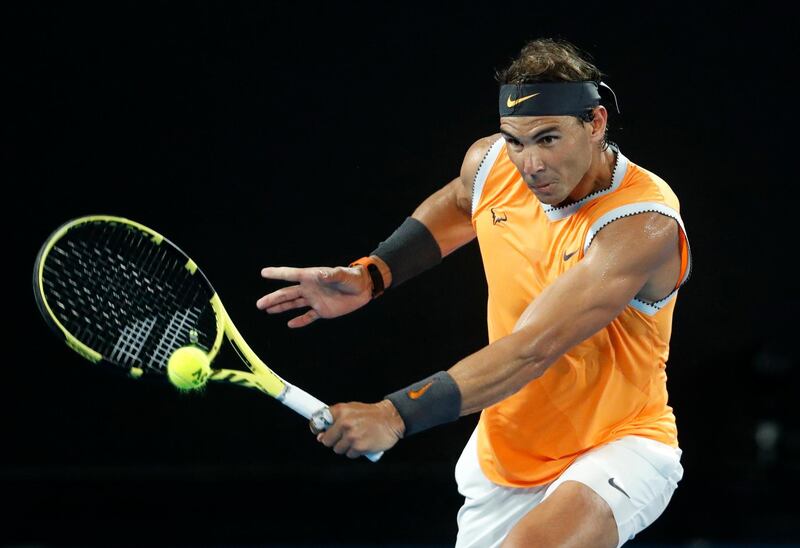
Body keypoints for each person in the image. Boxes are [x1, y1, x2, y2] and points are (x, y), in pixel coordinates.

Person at [256, 38, 690, 548]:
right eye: (516, 140)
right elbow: (464, 202)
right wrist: (374, 274)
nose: (530, 164)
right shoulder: (492, 164)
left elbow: (533, 349)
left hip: (619, 445)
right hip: (506, 451)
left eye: (548, 139)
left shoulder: (641, 224)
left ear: (595, 124)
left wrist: (395, 414)